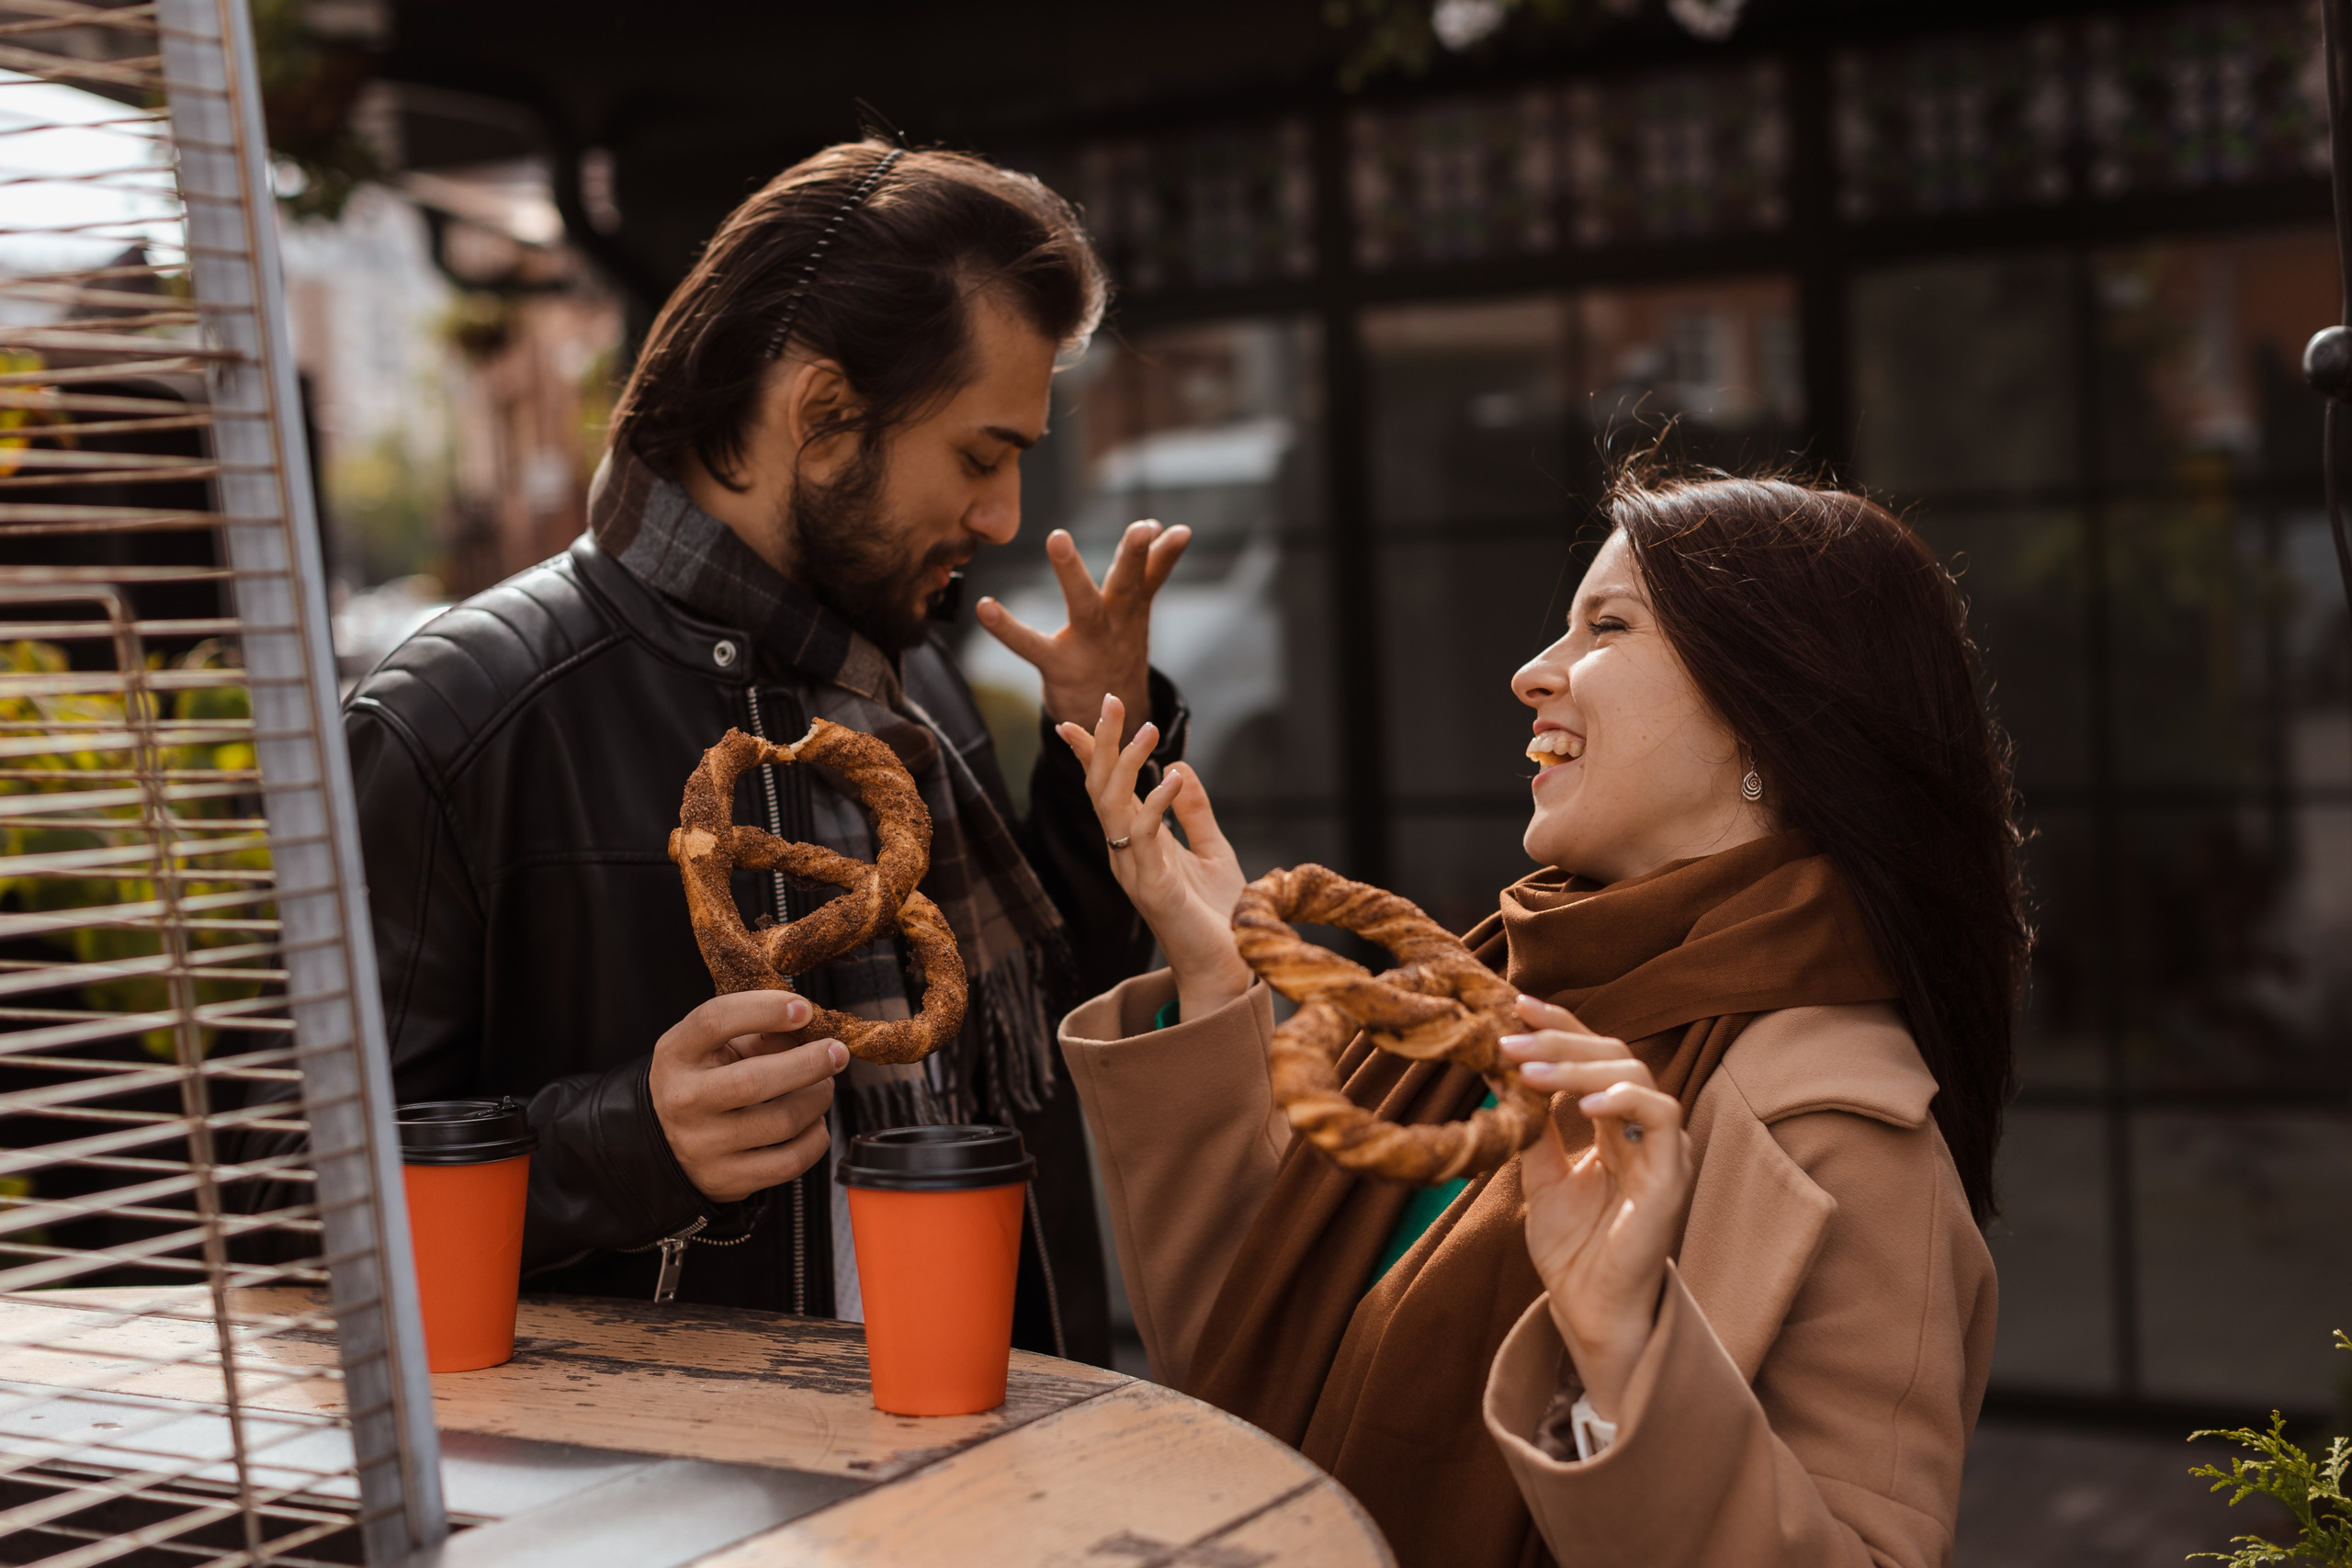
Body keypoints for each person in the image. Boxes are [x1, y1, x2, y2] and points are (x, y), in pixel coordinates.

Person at [1055, 472, 2025, 1566]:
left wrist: (1624, 1350)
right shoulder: (1483, 1001)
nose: (1529, 673)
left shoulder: (1844, 1135)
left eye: (1605, 626)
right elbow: (1240, 1362)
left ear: (1769, 720)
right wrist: (1210, 969)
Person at [331, 141, 1194, 1361]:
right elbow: (294, 1201)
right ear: (823, 415)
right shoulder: (462, 721)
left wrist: (1097, 768)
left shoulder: (909, 687)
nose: (1004, 515)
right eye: (980, 455)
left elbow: (1038, 1027)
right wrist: (634, 1140)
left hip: (982, 1456)